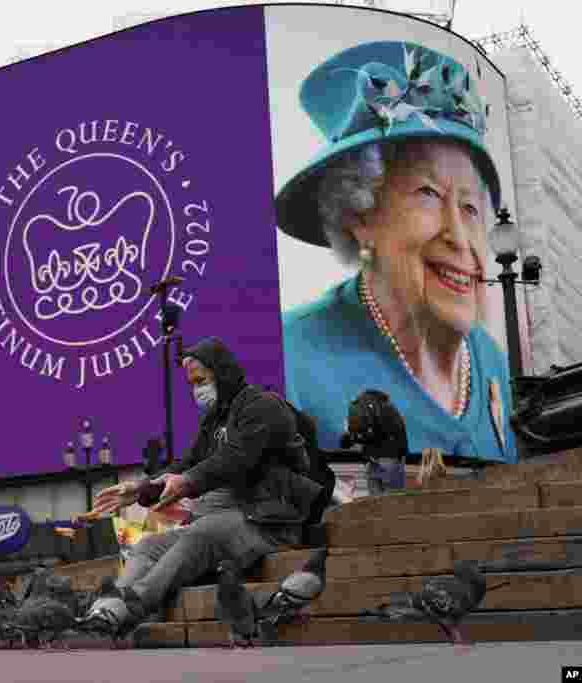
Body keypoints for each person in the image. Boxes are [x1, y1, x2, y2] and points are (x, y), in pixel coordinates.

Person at [274, 41, 517, 463]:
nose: (461, 238)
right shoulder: (291, 358)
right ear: (359, 215)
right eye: (428, 193)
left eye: (470, 205)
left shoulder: (490, 360)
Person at [80, 337, 323, 633]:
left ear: (223, 374)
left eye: (200, 380)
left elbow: (236, 458)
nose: (197, 389)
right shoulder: (215, 418)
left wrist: (188, 481)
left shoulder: (262, 406)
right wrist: (141, 489)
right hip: (232, 517)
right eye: (192, 383)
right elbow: (189, 462)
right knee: (147, 546)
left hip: (270, 521)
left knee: (202, 531)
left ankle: (131, 607)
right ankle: (105, 608)